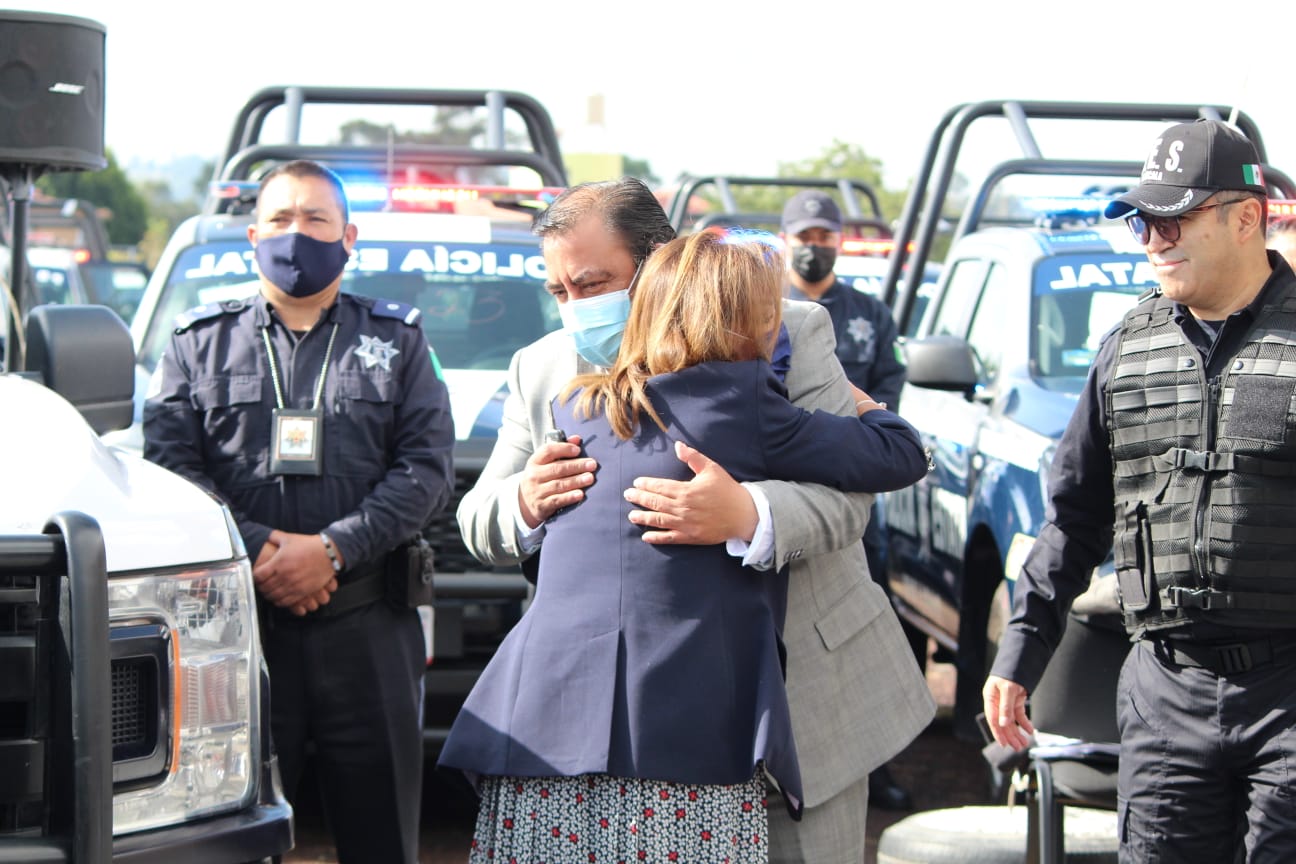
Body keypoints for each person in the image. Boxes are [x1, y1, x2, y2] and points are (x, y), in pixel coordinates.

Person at [455, 177, 936, 864]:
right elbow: (478, 515)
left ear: (660, 261)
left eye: (594, 285)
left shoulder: (781, 330)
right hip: (615, 729)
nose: (576, 311)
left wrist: (750, 513)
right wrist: (527, 500)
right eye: (559, 293)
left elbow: (850, 497)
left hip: (803, 703)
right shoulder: (546, 369)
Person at [983, 119, 1296, 862]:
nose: (1151, 237)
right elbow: (1073, 520)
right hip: (1165, 696)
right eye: (1140, 220)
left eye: (1172, 216)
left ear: (1246, 217)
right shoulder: (1128, 348)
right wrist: (1019, 654)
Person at [143, 159, 455, 864]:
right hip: (232, 633)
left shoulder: (398, 341)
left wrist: (333, 550)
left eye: (315, 220)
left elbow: (426, 471)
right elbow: (169, 468)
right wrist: (259, 550)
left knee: (380, 840)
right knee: (228, 837)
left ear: (350, 237)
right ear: (253, 234)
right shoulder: (198, 343)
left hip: (368, 626)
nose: (296, 234)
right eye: (281, 219)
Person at [780, 188, 918, 812]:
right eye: (804, 238)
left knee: (860, 618)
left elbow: (888, 394)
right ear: (786, 239)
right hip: (779, 490)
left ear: (840, 241)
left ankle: (875, 762)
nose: (814, 248)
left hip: (853, 492)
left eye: (824, 238)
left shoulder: (867, 313)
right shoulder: (760, 308)